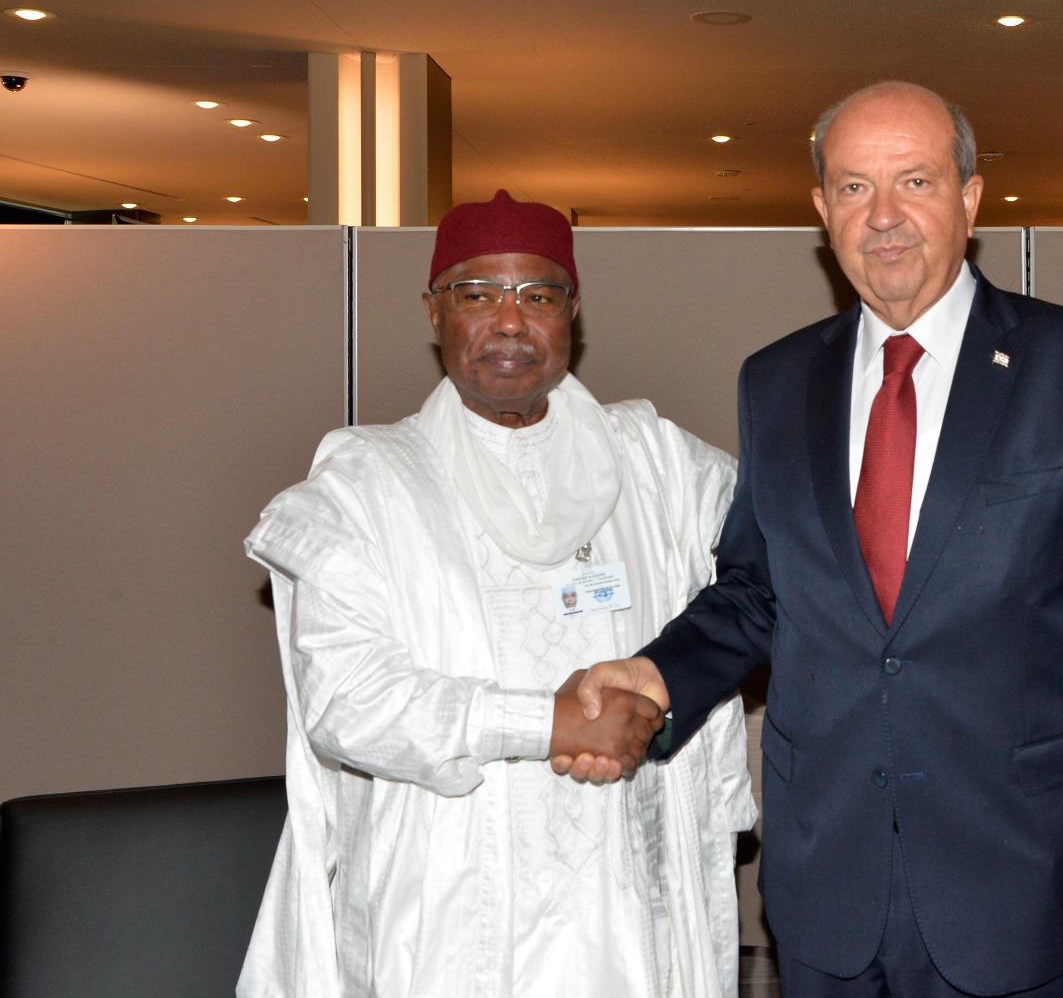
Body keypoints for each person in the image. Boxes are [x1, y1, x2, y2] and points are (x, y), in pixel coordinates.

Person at [563, 82, 1063, 997]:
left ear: (970, 199)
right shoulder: (777, 381)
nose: (883, 215)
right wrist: (656, 674)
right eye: (854, 187)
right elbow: (758, 590)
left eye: (915, 181)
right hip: (827, 885)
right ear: (822, 211)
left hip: (1021, 884)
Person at [238, 191, 755, 998]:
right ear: (434, 311)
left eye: (538, 295)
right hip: (449, 912)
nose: (510, 322)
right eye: (477, 294)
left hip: (628, 911)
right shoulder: (365, 485)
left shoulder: (659, 467)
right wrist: (547, 721)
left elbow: (782, 570)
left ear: (572, 312)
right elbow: (346, 699)